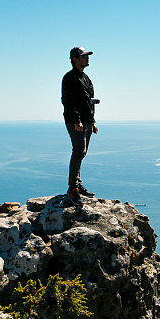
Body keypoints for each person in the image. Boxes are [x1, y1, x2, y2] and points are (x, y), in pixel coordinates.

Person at [61, 47, 99, 204]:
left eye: (87, 56)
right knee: (78, 151)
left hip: (87, 121)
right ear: (74, 59)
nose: (87, 59)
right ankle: (73, 189)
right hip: (76, 122)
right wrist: (77, 121)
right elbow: (68, 102)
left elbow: (89, 101)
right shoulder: (70, 78)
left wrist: (93, 121)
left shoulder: (86, 78)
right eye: (83, 56)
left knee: (81, 153)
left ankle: (77, 184)